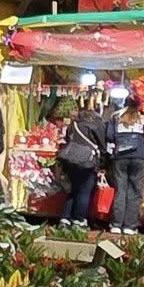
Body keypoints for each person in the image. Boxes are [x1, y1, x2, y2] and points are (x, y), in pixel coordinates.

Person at [56, 92, 108, 225]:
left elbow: (68, 140)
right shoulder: (97, 125)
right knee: (85, 190)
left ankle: (65, 217)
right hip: (87, 161)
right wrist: (103, 165)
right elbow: (102, 146)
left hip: (70, 160)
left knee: (72, 189)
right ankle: (79, 219)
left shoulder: (74, 124)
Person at [107, 98, 144, 234]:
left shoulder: (115, 116)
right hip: (139, 156)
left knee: (120, 191)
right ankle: (130, 226)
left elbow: (109, 136)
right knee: (136, 192)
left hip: (120, 156)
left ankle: (116, 224)